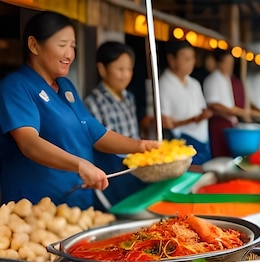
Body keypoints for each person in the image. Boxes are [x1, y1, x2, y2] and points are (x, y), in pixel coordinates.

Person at [0, 11, 159, 210]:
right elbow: (29, 143)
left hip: (77, 203)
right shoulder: (16, 86)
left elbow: (96, 133)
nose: (69, 54)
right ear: (34, 45)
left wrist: (142, 146)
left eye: (73, 46)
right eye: (62, 45)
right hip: (36, 207)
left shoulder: (66, 87)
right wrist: (80, 165)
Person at [83, 41, 146, 207]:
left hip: (136, 168)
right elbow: (100, 142)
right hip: (113, 172)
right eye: (120, 69)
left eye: (129, 69)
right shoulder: (92, 102)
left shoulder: (129, 98)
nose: (125, 75)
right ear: (102, 69)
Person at [158, 39, 213, 166]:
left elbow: (202, 109)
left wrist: (205, 114)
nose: (191, 63)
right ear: (172, 60)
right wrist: (192, 120)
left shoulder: (194, 83)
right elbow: (166, 122)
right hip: (182, 141)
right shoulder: (164, 84)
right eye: (186, 59)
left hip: (203, 139)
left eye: (192, 58)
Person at [203, 49, 260, 157]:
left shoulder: (229, 80)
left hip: (231, 123)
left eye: (231, 63)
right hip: (219, 124)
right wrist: (238, 112)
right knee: (220, 155)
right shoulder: (213, 80)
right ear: (219, 63)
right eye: (226, 63)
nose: (229, 66)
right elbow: (214, 104)